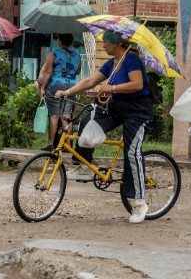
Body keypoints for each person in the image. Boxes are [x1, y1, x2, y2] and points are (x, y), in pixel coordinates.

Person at [55, 31, 155, 224]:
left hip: (138, 112)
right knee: (87, 121)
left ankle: (140, 202)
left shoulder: (131, 58)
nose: (103, 46)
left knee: (132, 153)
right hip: (116, 108)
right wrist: (67, 91)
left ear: (115, 43)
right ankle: (85, 164)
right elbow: (91, 81)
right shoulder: (112, 64)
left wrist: (113, 88)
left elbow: (137, 84)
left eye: (105, 43)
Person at [36, 33, 81, 151]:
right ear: (71, 42)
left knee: (54, 115)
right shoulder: (77, 54)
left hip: (55, 86)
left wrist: (42, 88)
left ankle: (51, 143)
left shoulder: (55, 52)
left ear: (60, 41)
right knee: (66, 116)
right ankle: (68, 145)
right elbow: (77, 71)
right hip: (71, 87)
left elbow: (48, 72)